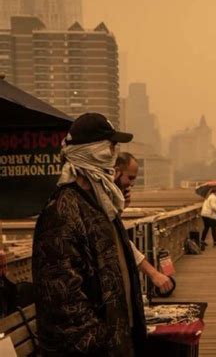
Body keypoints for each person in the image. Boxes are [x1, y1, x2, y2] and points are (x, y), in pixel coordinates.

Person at [32, 113, 146, 356]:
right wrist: (102, 339)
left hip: (116, 342)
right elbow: (63, 299)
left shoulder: (100, 203)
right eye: (111, 146)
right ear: (96, 152)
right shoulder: (62, 211)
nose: (115, 153)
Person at [114, 152, 174, 294]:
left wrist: (120, 208)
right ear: (115, 172)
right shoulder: (100, 201)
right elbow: (121, 240)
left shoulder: (109, 203)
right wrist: (153, 273)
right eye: (130, 178)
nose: (132, 184)